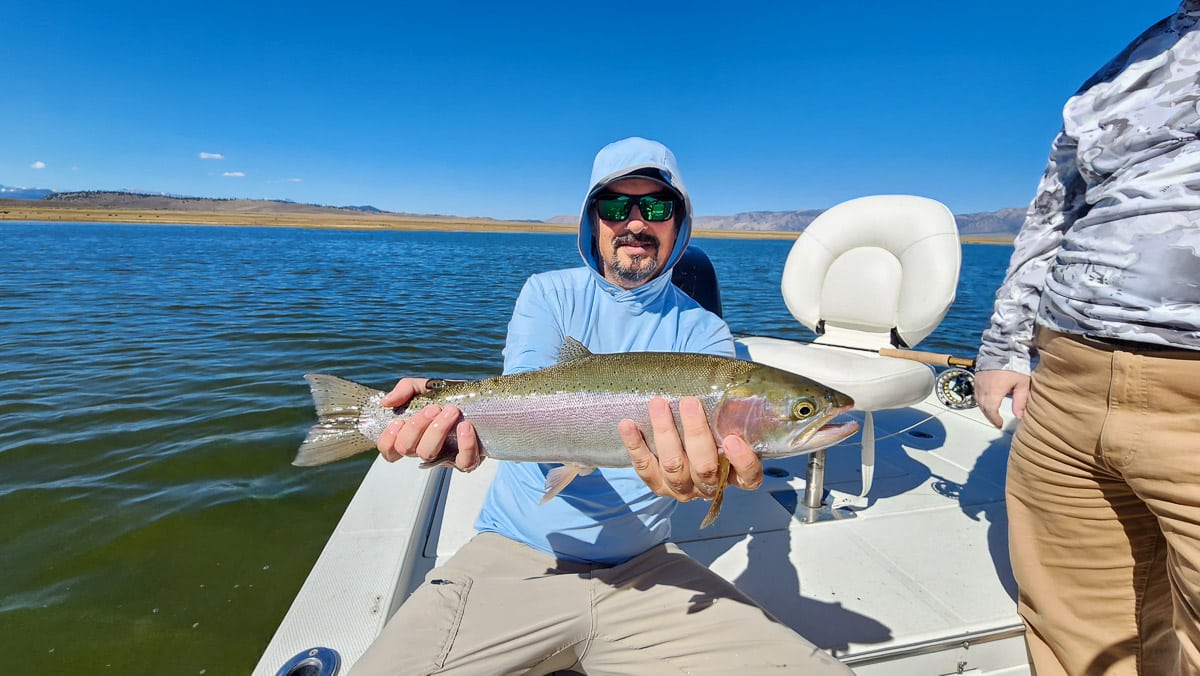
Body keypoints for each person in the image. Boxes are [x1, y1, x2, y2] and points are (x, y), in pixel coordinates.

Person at [351, 137, 850, 675]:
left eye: (656, 207)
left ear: (678, 223)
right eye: (616, 206)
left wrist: (710, 480)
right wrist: (444, 412)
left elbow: (703, 472)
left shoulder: (706, 331)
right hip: (513, 557)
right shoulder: (547, 293)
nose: (635, 222)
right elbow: (525, 395)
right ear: (594, 220)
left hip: (648, 572)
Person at [975, 3, 1200, 674]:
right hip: (1067, 384)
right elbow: (1055, 211)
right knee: (1076, 639)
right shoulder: (1122, 69)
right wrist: (1005, 346)